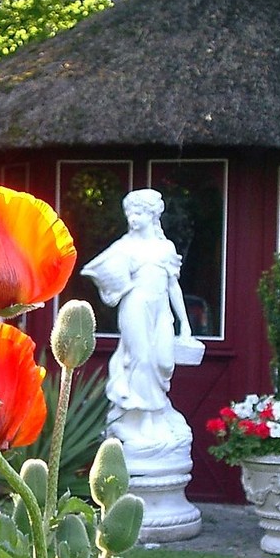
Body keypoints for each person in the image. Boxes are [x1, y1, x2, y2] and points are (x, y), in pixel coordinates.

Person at [81, 189, 194, 444]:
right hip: (135, 306)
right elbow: (104, 273)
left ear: (153, 215)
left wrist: (185, 324)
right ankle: (142, 417)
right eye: (130, 213)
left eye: (139, 213)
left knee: (163, 361)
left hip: (160, 309)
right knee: (141, 359)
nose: (133, 218)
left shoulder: (165, 248)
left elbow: (173, 286)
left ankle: (156, 412)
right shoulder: (124, 247)